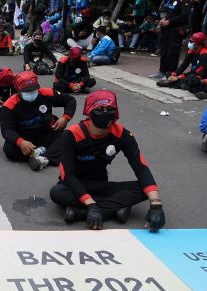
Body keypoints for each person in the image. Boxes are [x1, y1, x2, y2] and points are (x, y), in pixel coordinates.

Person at [50, 90, 166, 231]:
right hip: (74, 185)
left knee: (144, 188)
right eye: (100, 109)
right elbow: (67, 175)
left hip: (101, 184)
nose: (105, 113)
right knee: (57, 193)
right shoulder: (72, 134)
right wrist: (91, 205)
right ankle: (114, 208)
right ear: (90, 112)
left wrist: (156, 205)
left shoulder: (123, 135)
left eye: (110, 109)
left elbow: (140, 168)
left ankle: (82, 213)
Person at [0, 71, 76, 171]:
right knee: (9, 150)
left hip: (45, 133)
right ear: (18, 90)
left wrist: (65, 118)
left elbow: (70, 100)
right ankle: (47, 154)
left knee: (67, 136)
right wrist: (21, 142)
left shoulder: (46, 93)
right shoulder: (10, 105)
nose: (31, 93)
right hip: (24, 138)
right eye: (27, 91)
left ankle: (42, 158)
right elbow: (6, 129)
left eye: (34, 89)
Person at [150, 0, 190, 78]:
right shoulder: (173, 1)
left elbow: (184, 16)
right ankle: (162, 71)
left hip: (176, 30)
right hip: (167, 29)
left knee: (172, 52)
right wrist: (164, 19)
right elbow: (171, 13)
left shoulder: (185, 2)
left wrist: (170, 21)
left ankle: (170, 73)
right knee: (164, 50)